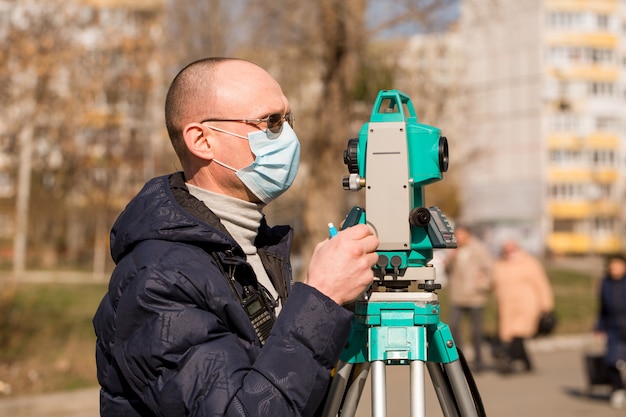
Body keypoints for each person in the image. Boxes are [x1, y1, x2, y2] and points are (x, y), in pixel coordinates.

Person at [92, 57, 380, 417]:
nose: (288, 137)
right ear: (201, 140)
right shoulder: (158, 278)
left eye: (287, 120)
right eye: (271, 122)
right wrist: (321, 297)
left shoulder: (254, 246)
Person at [491, 239, 554, 374]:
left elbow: (541, 284)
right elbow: (493, 282)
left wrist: (546, 304)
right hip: (507, 305)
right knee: (512, 334)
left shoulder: (529, 263)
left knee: (518, 333)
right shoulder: (500, 264)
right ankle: (525, 362)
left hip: (526, 303)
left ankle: (511, 360)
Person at [445, 224, 494, 372]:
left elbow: (490, 269)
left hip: (475, 296)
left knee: (476, 331)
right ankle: (459, 359)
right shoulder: (454, 250)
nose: (459, 238)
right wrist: (451, 259)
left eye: (462, 235)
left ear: (468, 235)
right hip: (457, 295)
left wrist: (482, 284)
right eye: (457, 235)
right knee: (453, 326)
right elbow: (447, 270)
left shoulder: (479, 249)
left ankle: (479, 362)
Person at [594, 254, 626, 409]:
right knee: (611, 361)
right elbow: (602, 308)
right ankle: (619, 389)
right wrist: (599, 327)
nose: (615, 270)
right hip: (613, 327)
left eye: (618, 266)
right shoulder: (605, 283)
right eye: (612, 266)